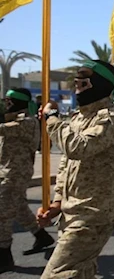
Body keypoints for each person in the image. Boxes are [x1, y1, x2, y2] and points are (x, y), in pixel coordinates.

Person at [36, 60, 114, 278]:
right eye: (76, 80)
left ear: (100, 84)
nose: (77, 84)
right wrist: (57, 203)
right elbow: (67, 165)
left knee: (57, 274)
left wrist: (52, 119)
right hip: (71, 212)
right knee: (80, 272)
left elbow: (77, 148)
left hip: (93, 215)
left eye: (84, 79)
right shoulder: (78, 118)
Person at [0, 88, 55, 273]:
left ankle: (4, 255)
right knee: (18, 208)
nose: (6, 104)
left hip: (16, 173)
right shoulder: (15, 120)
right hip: (8, 171)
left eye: (9, 101)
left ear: (18, 102)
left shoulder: (27, 122)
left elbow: (3, 128)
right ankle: (41, 236)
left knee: (3, 213)